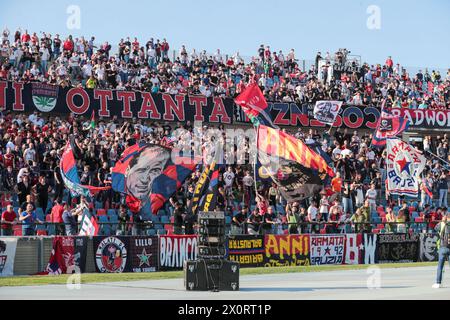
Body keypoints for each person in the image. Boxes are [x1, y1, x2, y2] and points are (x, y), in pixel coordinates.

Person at [432, 212, 450, 288]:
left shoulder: (442, 224)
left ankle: (438, 282)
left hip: (443, 246)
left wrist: (442, 221)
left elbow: (435, 228)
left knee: (440, 266)